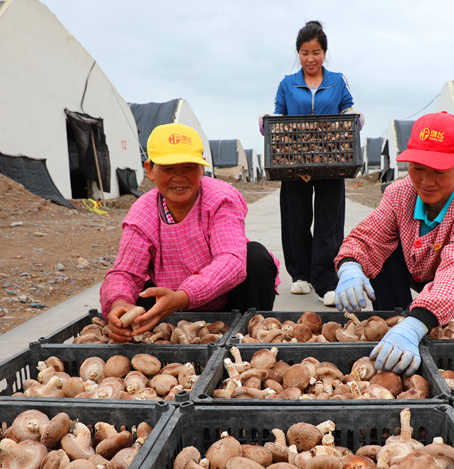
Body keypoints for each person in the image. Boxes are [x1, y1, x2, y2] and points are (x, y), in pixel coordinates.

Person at [333, 111, 454, 375]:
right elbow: (370, 235)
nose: (426, 181)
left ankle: (413, 325)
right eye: (418, 168)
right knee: (382, 252)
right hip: (427, 271)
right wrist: (350, 266)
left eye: (439, 171)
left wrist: (418, 322)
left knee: (449, 333)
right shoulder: (401, 193)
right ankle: (393, 327)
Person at [100, 123, 279, 342]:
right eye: (168, 169)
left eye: (188, 167)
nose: (179, 177)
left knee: (255, 258)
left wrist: (183, 296)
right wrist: (118, 303)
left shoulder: (220, 198)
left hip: (225, 300)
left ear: (201, 168)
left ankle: (252, 335)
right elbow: (125, 272)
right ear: (150, 170)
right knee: (132, 294)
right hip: (167, 307)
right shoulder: (143, 212)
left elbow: (231, 260)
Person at [267, 20, 362, 307]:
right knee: (295, 219)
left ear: (325, 53)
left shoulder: (337, 80)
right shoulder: (287, 83)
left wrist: (355, 116)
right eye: (305, 53)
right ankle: (300, 274)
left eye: (316, 52)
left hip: (331, 158)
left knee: (328, 222)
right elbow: (279, 115)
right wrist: (266, 122)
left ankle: (326, 280)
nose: (311, 59)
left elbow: (347, 108)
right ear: (298, 53)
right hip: (294, 159)